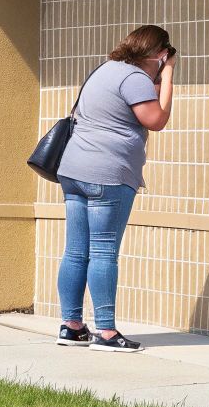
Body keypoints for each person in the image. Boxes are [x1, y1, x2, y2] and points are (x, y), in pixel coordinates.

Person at [54, 24, 175, 352]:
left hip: (73, 170)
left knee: (76, 250)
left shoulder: (106, 70)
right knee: (103, 251)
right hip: (107, 173)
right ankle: (106, 332)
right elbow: (156, 120)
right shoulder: (136, 78)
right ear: (160, 55)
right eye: (165, 58)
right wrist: (168, 77)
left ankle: (71, 325)